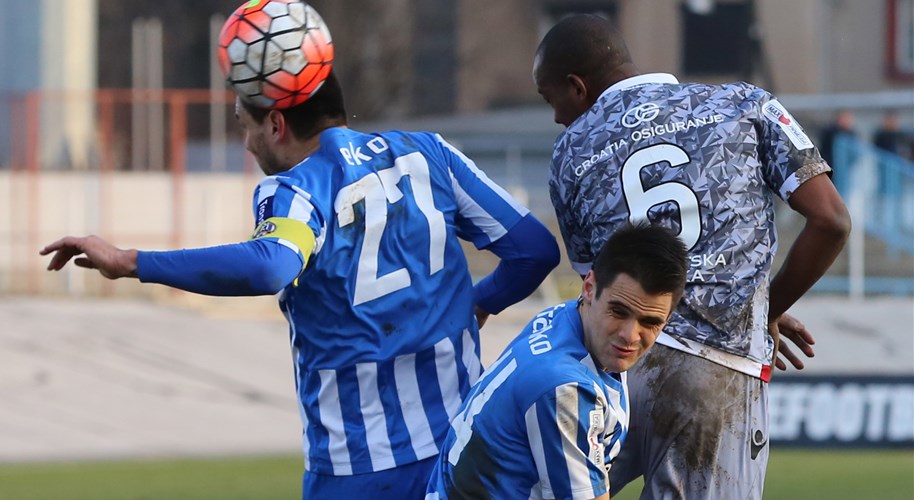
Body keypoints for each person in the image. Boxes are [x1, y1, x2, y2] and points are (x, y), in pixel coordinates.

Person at [40, 69, 560, 499]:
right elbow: (533, 251)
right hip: (465, 446)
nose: (245, 142)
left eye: (244, 126)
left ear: (276, 124)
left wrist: (131, 261)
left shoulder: (296, 189)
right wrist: (479, 301)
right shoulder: (429, 155)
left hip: (357, 464)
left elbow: (271, 265)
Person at [532, 14, 851, 499]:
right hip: (716, 372)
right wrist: (764, 306)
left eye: (549, 97)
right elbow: (831, 221)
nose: (555, 115)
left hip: (615, 364)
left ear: (576, 87)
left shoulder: (569, 151)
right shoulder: (747, 103)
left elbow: (595, 288)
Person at [425, 224, 688, 500]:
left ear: (666, 321)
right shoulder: (565, 387)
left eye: (650, 322)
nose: (629, 336)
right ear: (589, 288)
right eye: (618, 311)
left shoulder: (565, 319)